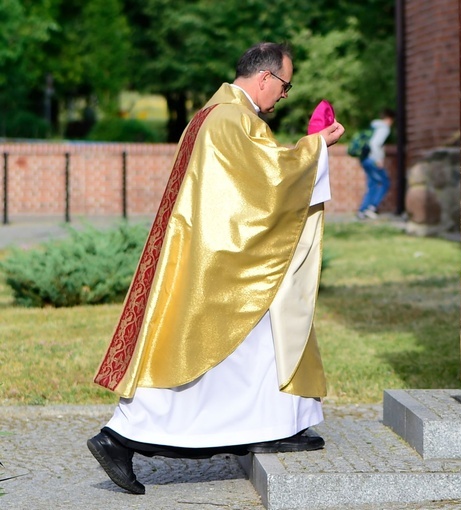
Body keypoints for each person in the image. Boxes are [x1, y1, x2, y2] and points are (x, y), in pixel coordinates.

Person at [86, 42, 344, 495]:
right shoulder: (231, 118)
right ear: (264, 78)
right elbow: (266, 182)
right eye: (285, 86)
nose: (284, 95)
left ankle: (276, 426)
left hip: (220, 254)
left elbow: (251, 180)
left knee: (264, 343)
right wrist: (315, 148)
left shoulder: (221, 113)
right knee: (200, 361)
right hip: (220, 264)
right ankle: (119, 439)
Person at [357, 108, 395, 219]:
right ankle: (371, 207)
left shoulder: (373, 126)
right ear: (389, 119)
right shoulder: (384, 128)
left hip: (365, 158)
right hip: (372, 159)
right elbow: (375, 144)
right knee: (385, 182)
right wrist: (378, 159)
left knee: (372, 184)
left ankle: (363, 210)